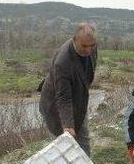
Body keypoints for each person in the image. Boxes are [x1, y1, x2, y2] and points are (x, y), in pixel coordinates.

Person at [39, 23, 97, 155]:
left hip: (77, 99)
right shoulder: (62, 62)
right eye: (84, 46)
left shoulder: (91, 44)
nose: (88, 50)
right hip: (56, 105)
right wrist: (68, 126)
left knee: (82, 140)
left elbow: (88, 71)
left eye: (91, 46)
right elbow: (63, 98)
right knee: (63, 144)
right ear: (74, 39)